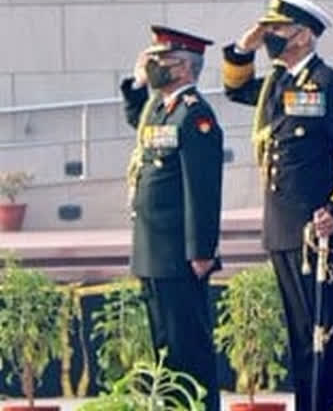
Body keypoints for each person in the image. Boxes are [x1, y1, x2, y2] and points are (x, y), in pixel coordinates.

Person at [221, 0, 333, 411]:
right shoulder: (278, 83)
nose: (270, 35)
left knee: (322, 332)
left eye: (278, 29)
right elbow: (234, 88)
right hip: (282, 229)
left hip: (318, 234)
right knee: (300, 334)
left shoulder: (328, 85)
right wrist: (245, 45)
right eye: (269, 28)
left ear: (304, 36)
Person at [122, 25, 223, 411]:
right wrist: (136, 81)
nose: (153, 66)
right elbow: (138, 123)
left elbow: (202, 188)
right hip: (152, 250)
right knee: (165, 350)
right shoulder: (160, 110)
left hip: (179, 254)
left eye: (160, 60)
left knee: (189, 350)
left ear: (183, 67)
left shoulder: (195, 116)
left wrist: (201, 250)